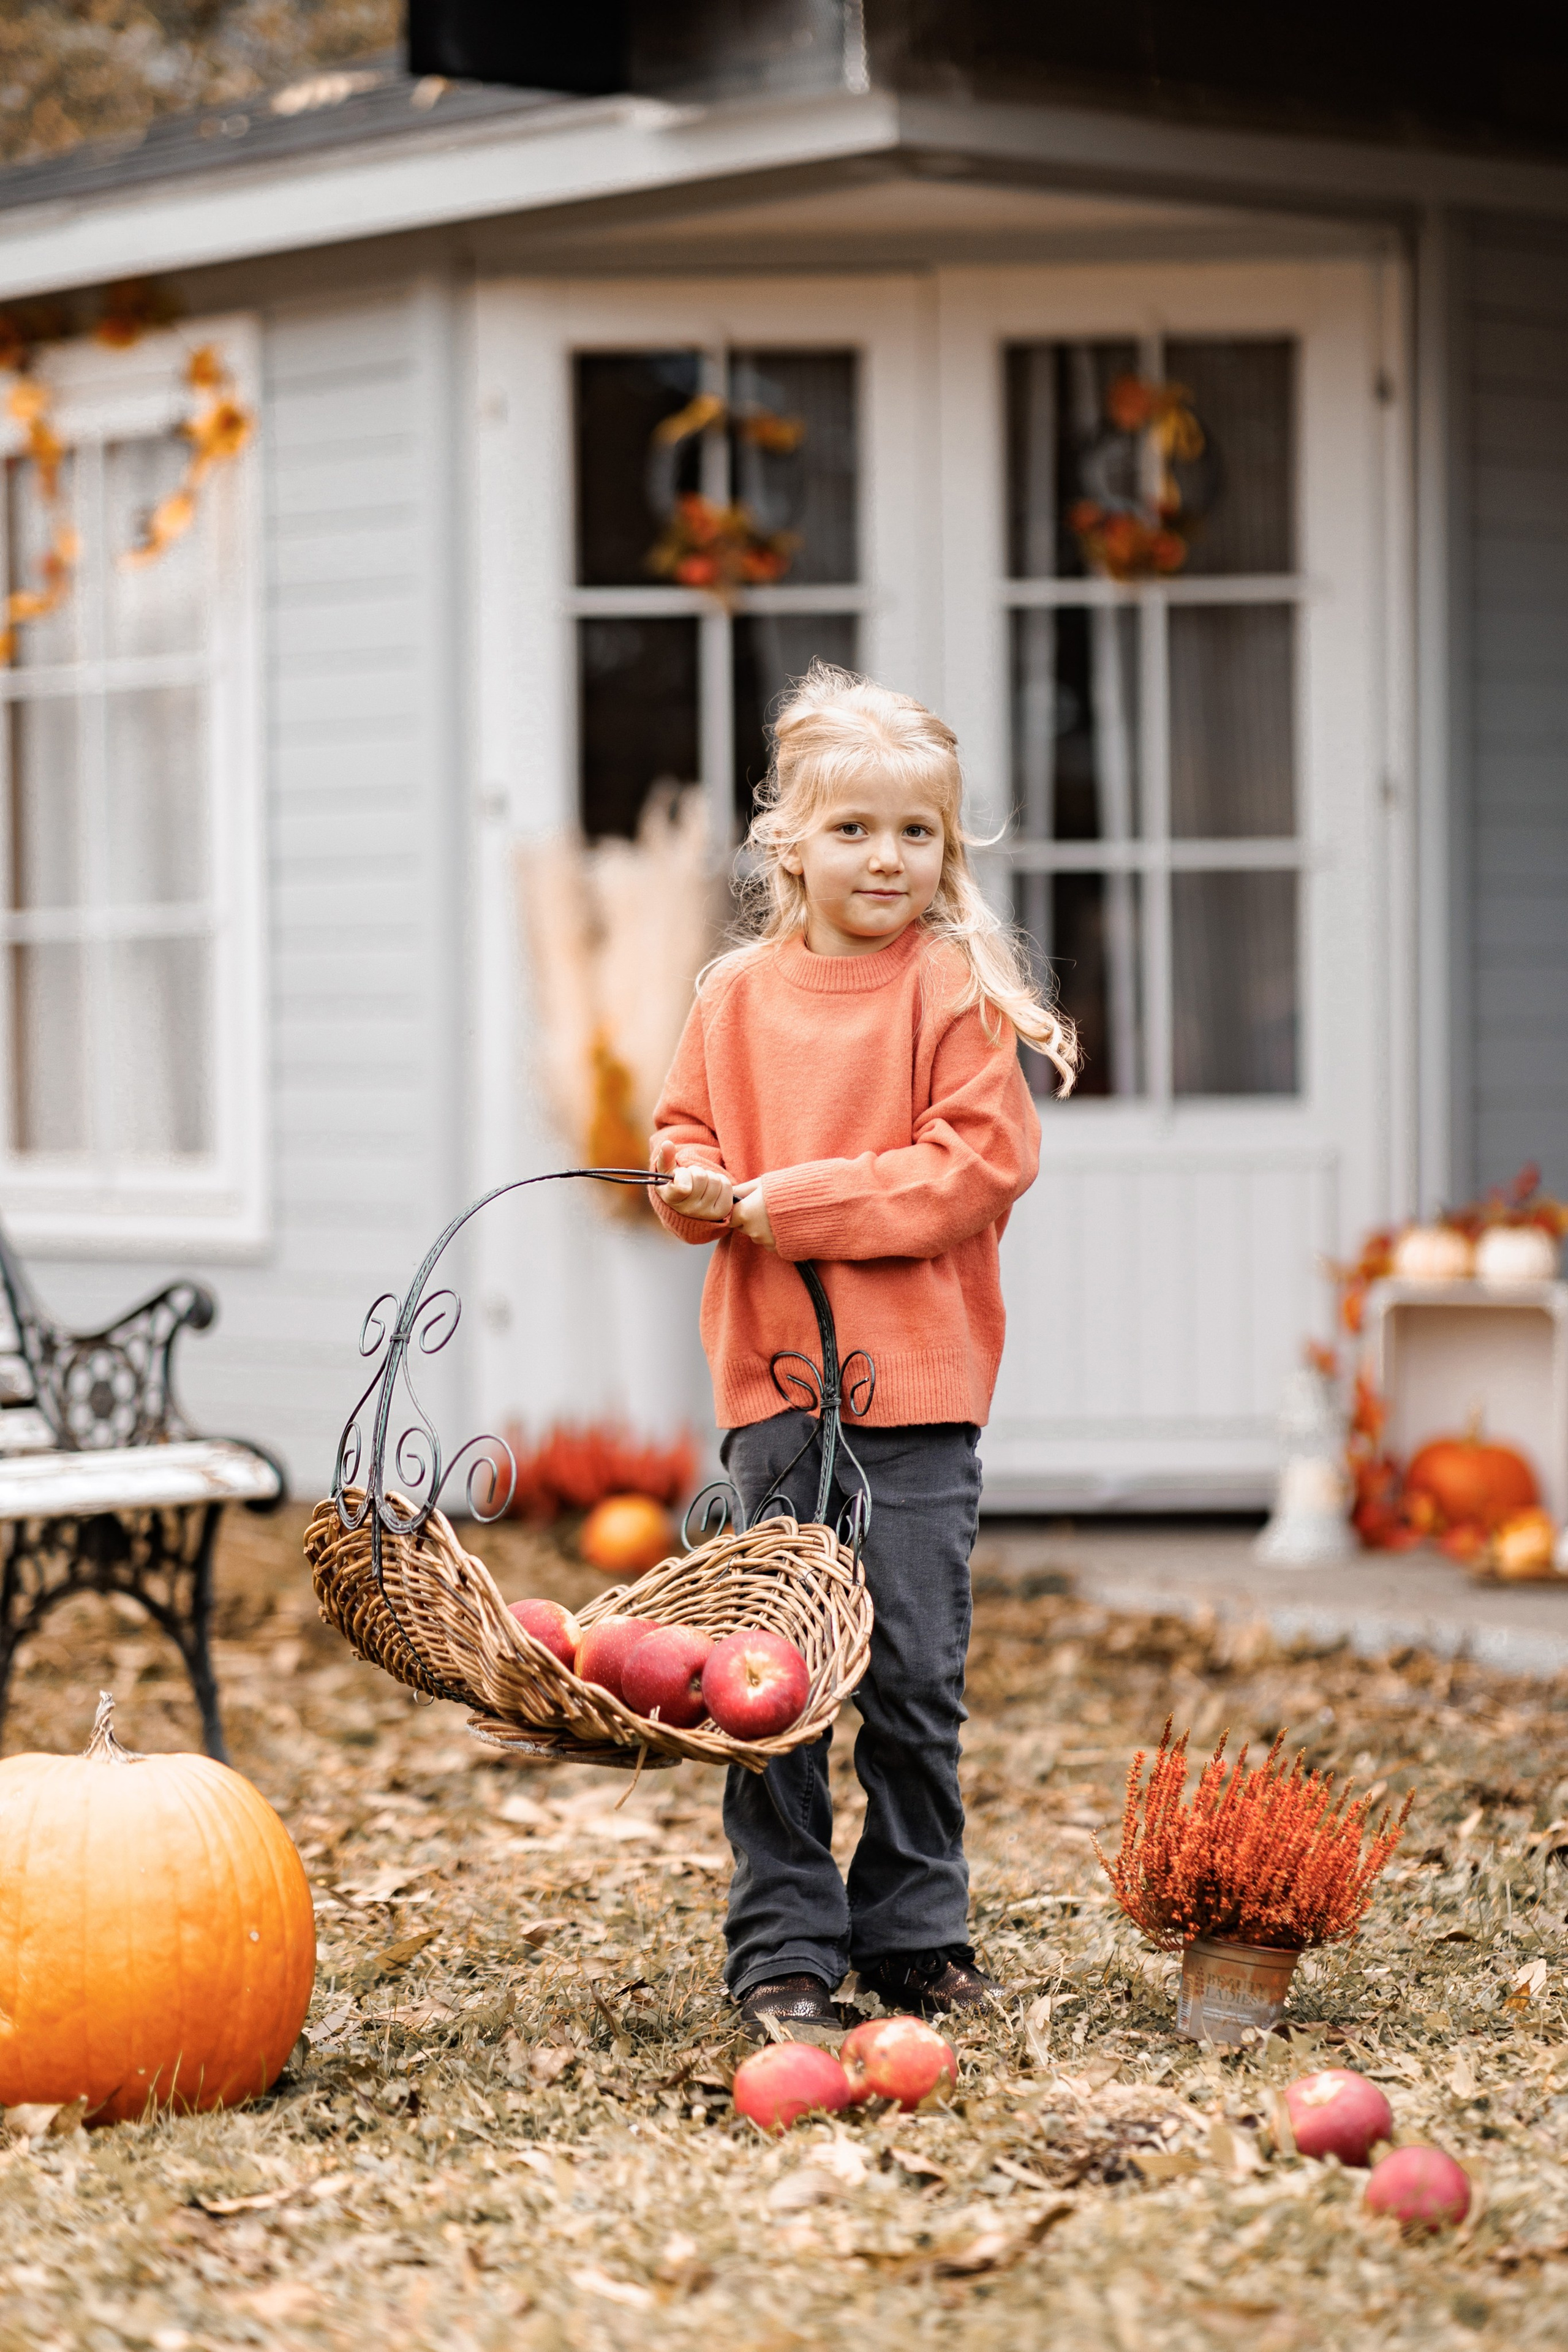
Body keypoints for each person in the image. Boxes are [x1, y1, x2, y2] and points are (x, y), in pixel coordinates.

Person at [650, 662, 1077, 2038]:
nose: (884, 858)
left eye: (914, 833)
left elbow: (972, 1166)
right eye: (851, 829)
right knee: (769, 1680)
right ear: (788, 840)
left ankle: (912, 1929)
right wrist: (689, 1187)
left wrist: (785, 1203)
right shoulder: (731, 999)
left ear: (946, 850)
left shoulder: (947, 992)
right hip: (773, 1396)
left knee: (907, 1676)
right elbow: (684, 1138)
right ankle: (780, 1940)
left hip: (915, 1395)